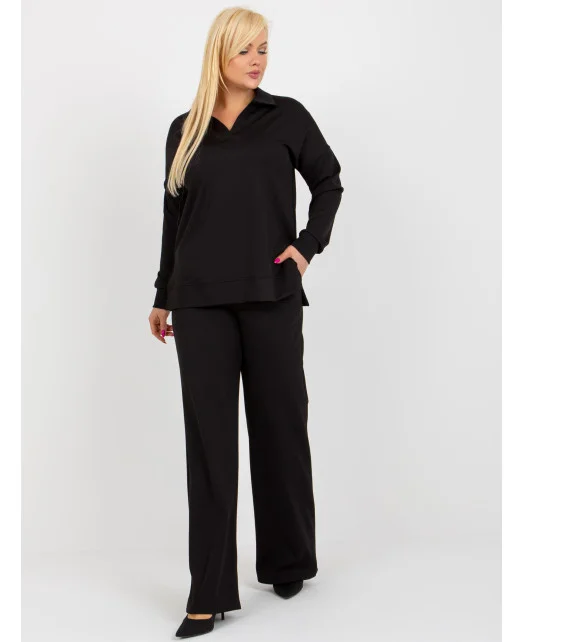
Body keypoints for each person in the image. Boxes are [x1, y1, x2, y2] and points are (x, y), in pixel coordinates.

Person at [147, 7, 344, 638]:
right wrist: (162, 294)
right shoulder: (184, 129)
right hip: (198, 303)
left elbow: (329, 181)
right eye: (245, 50)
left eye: (263, 49)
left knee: (280, 429)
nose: (258, 60)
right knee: (210, 447)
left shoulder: (287, 117)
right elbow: (175, 218)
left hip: (272, 294)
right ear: (219, 54)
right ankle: (207, 593)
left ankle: (287, 561)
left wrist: (307, 247)